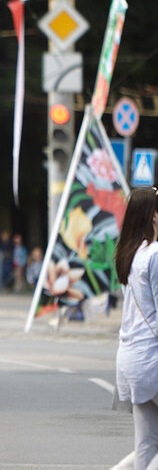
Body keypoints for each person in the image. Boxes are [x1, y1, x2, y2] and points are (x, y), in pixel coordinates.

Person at [114, 187, 158, 469]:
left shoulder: (130, 254)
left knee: (146, 443)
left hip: (130, 358)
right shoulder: (154, 254)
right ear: (154, 216)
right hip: (152, 359)